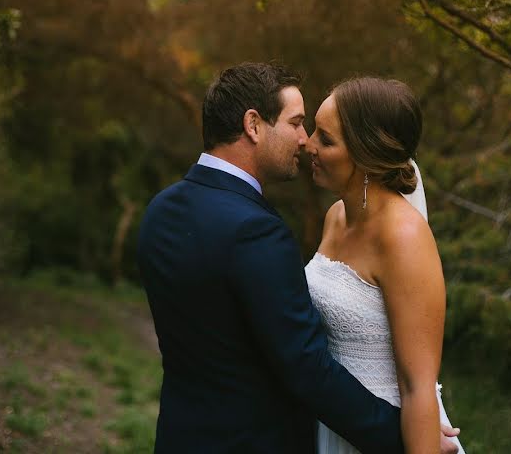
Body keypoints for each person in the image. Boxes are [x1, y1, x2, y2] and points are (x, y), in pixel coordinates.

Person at [138, 62, 459, 453]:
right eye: (297, 124)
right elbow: (303, 364)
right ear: (253, 125)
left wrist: (418, 437)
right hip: (268, 439)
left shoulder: (160, 210)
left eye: (322, 135)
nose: (305, 141)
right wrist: (398, 437)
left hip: (182, 435)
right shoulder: (262, 230)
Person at [305, 77, 464, 454]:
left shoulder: (404, 237)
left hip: (389, 429)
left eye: (325, 139)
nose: (308, 145)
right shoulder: (335, 217)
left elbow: (417, 387)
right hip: (337, 421)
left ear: (366, 156)